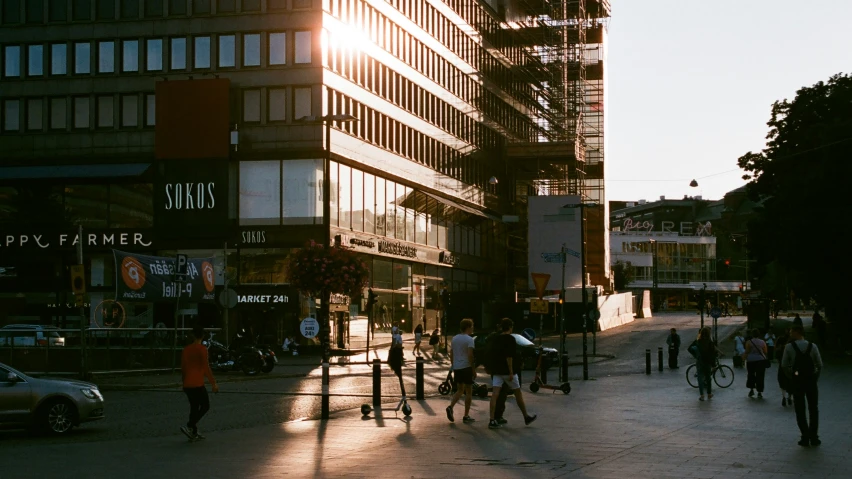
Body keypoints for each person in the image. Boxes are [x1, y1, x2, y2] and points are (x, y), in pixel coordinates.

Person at [488, 318, 536, 429]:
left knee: (495, 395)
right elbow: (509, 357)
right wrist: (510, 371)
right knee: (518, 394)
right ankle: (526, 416)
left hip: (497, 371)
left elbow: (492, 354)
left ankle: (492, 419)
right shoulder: (510, 339)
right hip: (508, 372)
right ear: (510, 327)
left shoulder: (496, 339)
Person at [781, 325, 823, 446]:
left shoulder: (789, 347)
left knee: (800, 409)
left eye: (791, 331)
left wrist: (791, 376)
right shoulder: (812, 346)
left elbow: (784, 365)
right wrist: (816, 377)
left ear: (796, 332)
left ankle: (804, 436)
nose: (789, 334)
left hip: (798, 380)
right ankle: (814, 436)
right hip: (811, 380)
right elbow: (819, 364)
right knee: (813, 409)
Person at [181, 325, 218, 441]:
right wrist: (213, 384)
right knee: (205, 406)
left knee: (194, 407)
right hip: (197, 383)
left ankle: (193, 432)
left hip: (188, 383)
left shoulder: (186, 350)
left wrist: (183, 383)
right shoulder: (202, 349)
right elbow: (206, 368)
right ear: (202, 336)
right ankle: (190, 425)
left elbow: (183, 368)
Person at [446, 319, 476, 424]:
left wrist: (453, 365)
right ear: (468, 327)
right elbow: (470, 356)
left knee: (459, 390)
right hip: (466, 367)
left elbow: (451, 353)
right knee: (469, 391)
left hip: (457, 367)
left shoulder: (454, 338)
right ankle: (466, 415)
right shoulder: (469, 340)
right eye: (472, 326)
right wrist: (473, 369)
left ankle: (450, 406)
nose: (473, 328)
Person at [690, 327, 717, 401]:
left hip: (699, 362)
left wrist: (696, 355)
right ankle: (709, 394)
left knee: (700, 378)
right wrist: (713, 365)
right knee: (708, 378)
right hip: (707, 362)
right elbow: (713, 354)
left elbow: (690, 348)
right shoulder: (710, 342)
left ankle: (702, 395)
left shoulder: (698, 341)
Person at [744, 328, 769, 399]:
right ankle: (759, 392)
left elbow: (747, 351)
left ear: (752, 334)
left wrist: (744, 358)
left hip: (751, 360)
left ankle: (751, 389)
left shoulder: (749, 342)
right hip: (760, 360)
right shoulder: (762, 342)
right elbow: (765, 351)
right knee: (760, 376)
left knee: (751, 374)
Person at [775, 330, 793, 407]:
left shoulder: (781, 349)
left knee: (781, 381)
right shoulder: (792, 348)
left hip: (782, 367)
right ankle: (789, 396)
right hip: (791, 367)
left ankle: (783, 396)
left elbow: (777, 356)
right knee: (791, 382)